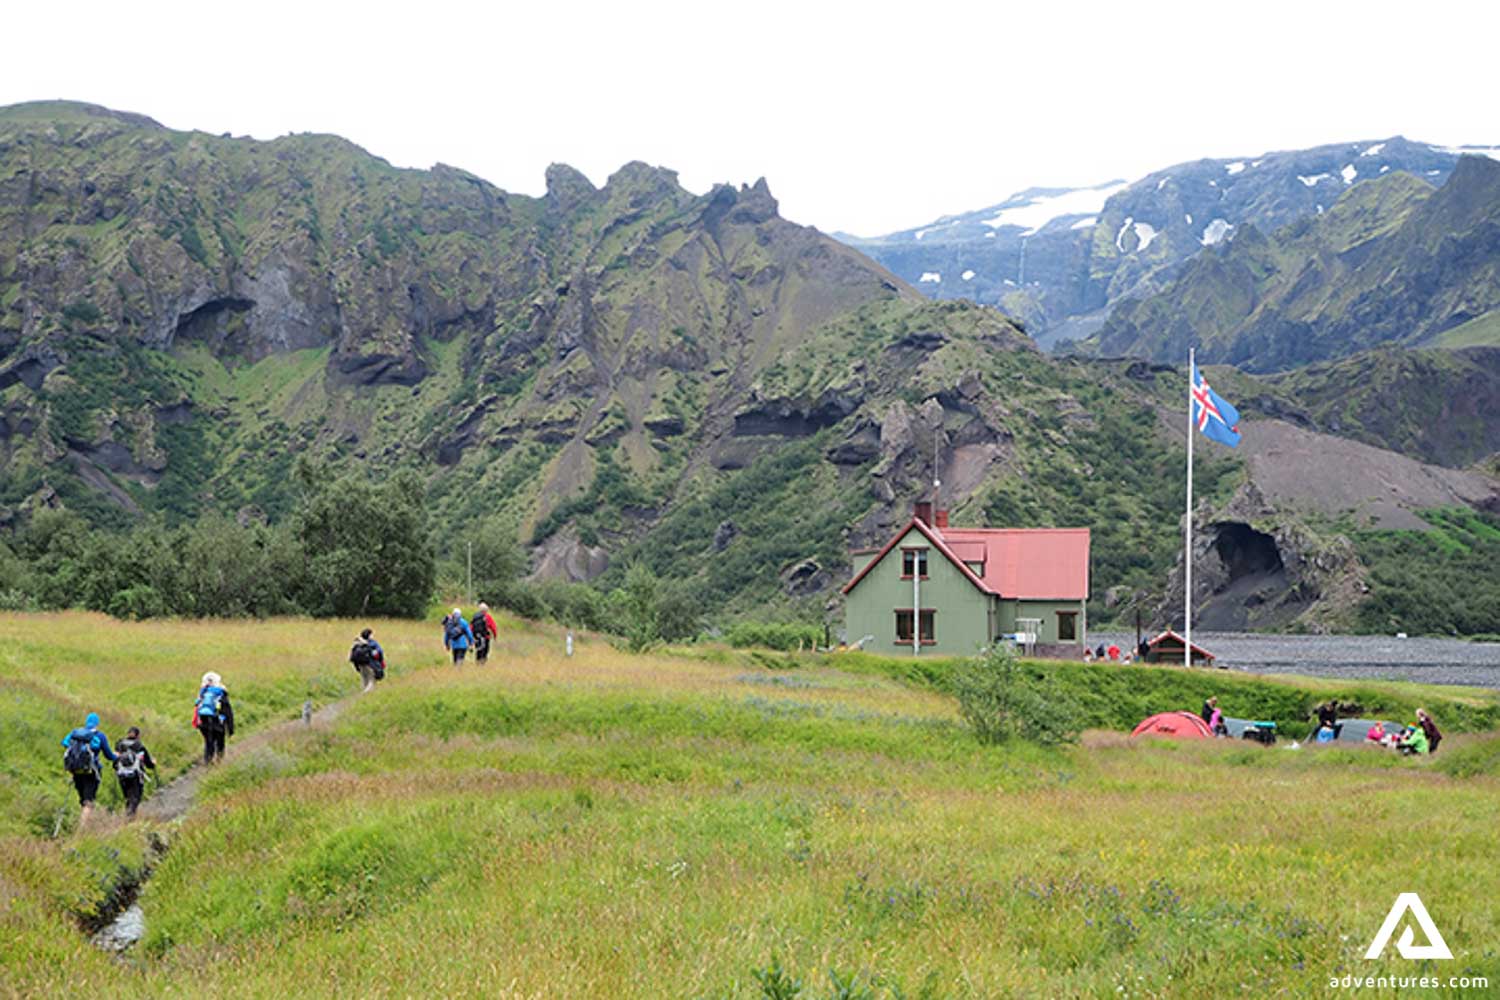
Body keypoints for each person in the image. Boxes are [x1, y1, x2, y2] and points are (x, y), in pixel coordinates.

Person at [61, 712, 116, 827]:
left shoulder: (75, 733)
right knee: (88, 801)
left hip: (76, 770)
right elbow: (109, 756)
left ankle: (85, 821)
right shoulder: (99, 736)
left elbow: (64, 743)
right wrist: (117, 756)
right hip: (92, 771)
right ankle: (82, 828)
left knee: (83, 799)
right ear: (97, 723)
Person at [113, 726, 158, 818]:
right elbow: (149, 764)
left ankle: (129, 816)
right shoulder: (140, 746)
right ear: (138, 736)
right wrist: (154, 763)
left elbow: (114, 763)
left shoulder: (119, 745)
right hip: (136, 775)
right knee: (135, 797)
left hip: (122, 775)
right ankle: (130, 816)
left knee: (128, 797)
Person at [195, 671, 235, 764]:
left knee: (209, 742)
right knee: (220, 743)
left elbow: (197, 708)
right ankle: (219, 762)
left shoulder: (203, 692)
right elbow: (228, 712)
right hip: (218, 723)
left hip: (204, 723)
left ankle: (208, 761)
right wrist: (230, 729)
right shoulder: (221, 693)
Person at [349, 628, 386, 693]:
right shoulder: (372, 644)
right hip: (370, 664)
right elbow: (379, 652)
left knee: (364, 679)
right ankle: (366, 694)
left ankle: (362, 693)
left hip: (360, 665)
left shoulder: (357, 643)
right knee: (371, 680)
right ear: (369, 635)